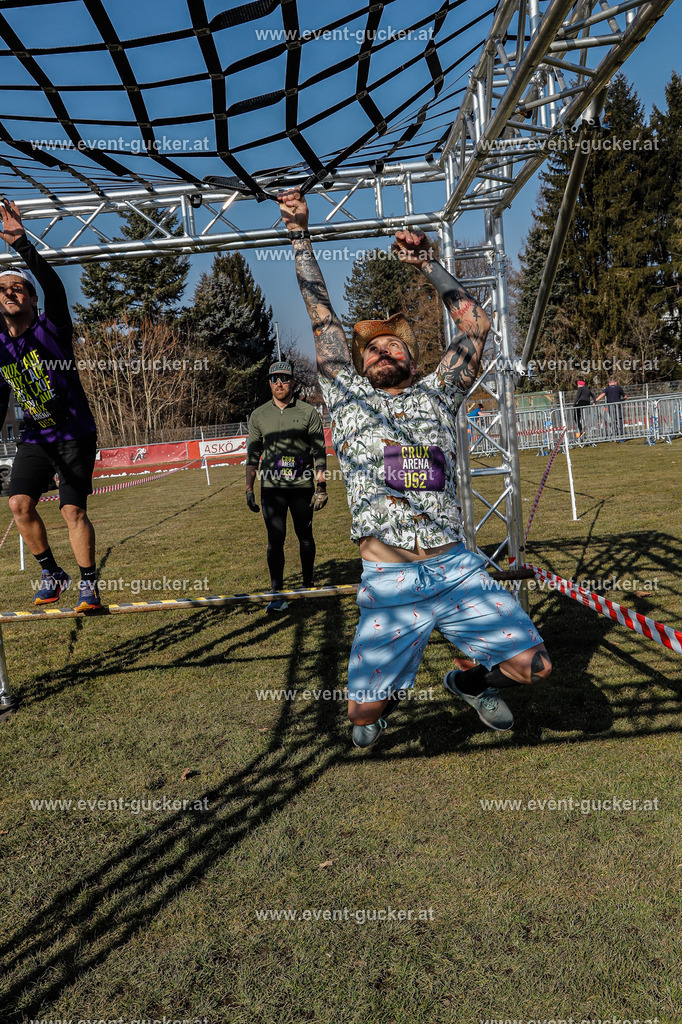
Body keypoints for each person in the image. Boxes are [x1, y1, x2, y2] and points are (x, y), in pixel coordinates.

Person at [278, 188, 552, 748]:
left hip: (455, 568)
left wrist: (430, 264)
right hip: (389, 580)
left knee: (537, 667)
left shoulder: (439, 393)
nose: (382, 352)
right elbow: (322, 315)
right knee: (359, 716)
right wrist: (300, 234)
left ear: (412, 356)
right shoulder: (344, 393)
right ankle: (387, 692)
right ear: (359, 363)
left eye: (393, 347)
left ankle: (469, 680)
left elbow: (477, 326)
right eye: (372, 349)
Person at [0, 198, 101, 611]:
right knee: (18, 504)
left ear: (32, 300)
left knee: (71, 510)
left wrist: (22, 245)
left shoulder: (51, 328)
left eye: (18, 287)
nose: (9, 292)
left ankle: (89, 583)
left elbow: (54, 287)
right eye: (2, 289)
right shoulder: (0, 345)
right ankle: (50, 571)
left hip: (75, 432)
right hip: (36, 436)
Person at [245, 359, 328, 613]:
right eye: (274, 379)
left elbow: (319, 451)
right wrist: (248, 489)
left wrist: (322, 486)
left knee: (305, 537)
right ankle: (277, 594)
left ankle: (308, 586)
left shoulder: (308, 412)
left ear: (293, 381)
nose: (279, 383)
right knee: (275, 540)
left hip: (302, 487)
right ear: (269, 383)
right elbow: (252, 455)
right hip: (272, 489)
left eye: (284, 378)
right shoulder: (259, 415)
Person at [596, 376, 627, 441]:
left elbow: (602, 395)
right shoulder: (619, 388)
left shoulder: (607, 389)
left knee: (614, 420)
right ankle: (621, 436)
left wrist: (595, 400)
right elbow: (625, 396)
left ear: (609, 383)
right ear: (615, 382)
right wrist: (622, 400)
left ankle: (616, 435)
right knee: (620, 420)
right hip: (618, 406)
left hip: (610, 406)